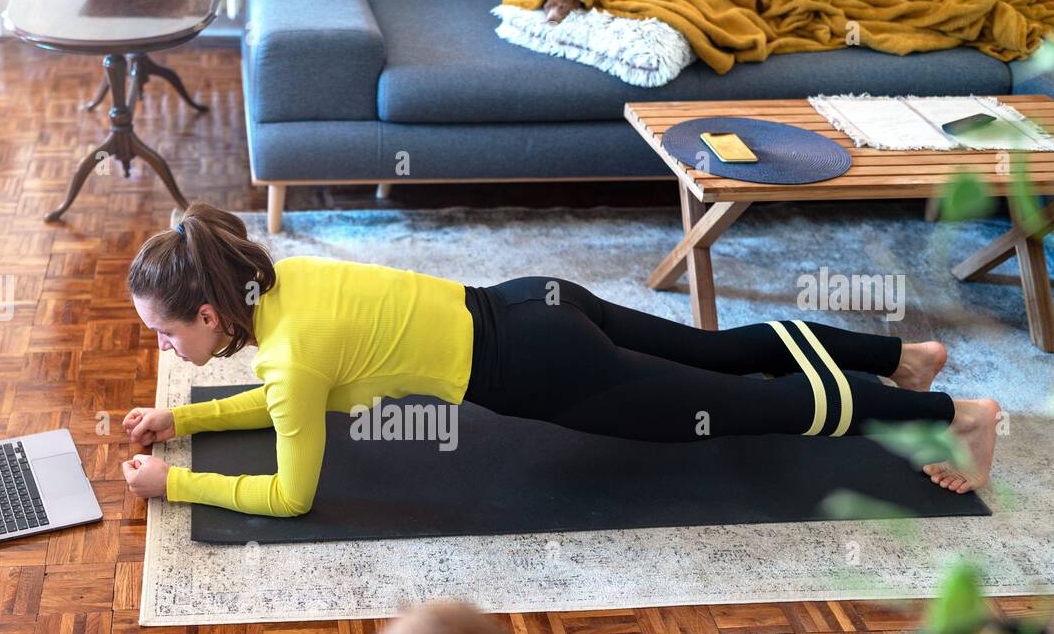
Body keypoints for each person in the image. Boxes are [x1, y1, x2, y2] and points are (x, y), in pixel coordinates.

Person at [120, 202, 999, 517]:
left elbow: (291, 492)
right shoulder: (285, 282)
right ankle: (905, 355)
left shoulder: (290, 358)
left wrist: (178, 481)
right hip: (533, 299)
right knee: (723, 351)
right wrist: (184, 420)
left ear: (209, 312)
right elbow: (282, 402)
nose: (169, 351)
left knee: (743, 404)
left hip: (548, 372)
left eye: (168, 336)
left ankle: (955, 415)